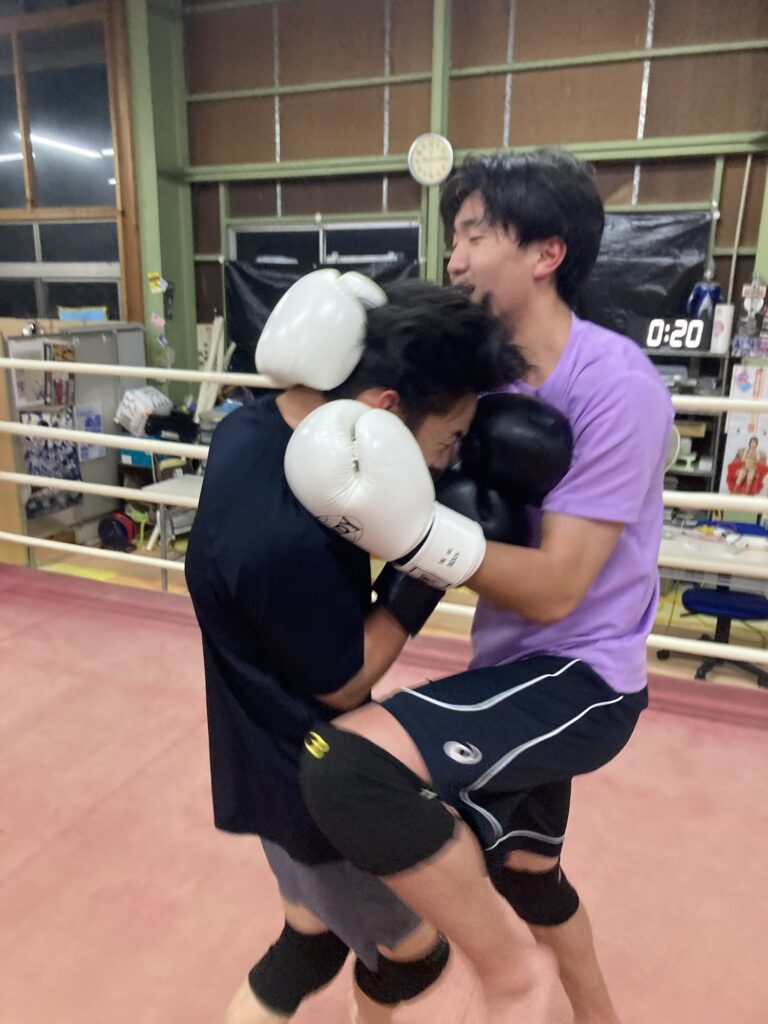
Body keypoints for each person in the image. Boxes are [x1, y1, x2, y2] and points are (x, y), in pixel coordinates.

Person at [289, 149, 674, 1024]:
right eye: (454, 238)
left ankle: (511, 980)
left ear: (546, 253)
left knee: (345, 766)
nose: (454, 259)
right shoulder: (482, 375)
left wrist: (414, 534)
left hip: (583, 678)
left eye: (473, 236)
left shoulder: (616, 389)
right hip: (507, 666)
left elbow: (556, 590)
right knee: (530, 873)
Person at [184, 269, 527, 1024]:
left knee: (311, 942)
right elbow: (343, 680)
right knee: (414, 955)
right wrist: (429, 564)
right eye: (448, 441)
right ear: (384, 409)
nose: (448, 462)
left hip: (258, 744)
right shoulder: (284, 541)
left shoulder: (254, 428)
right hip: (304, 772)